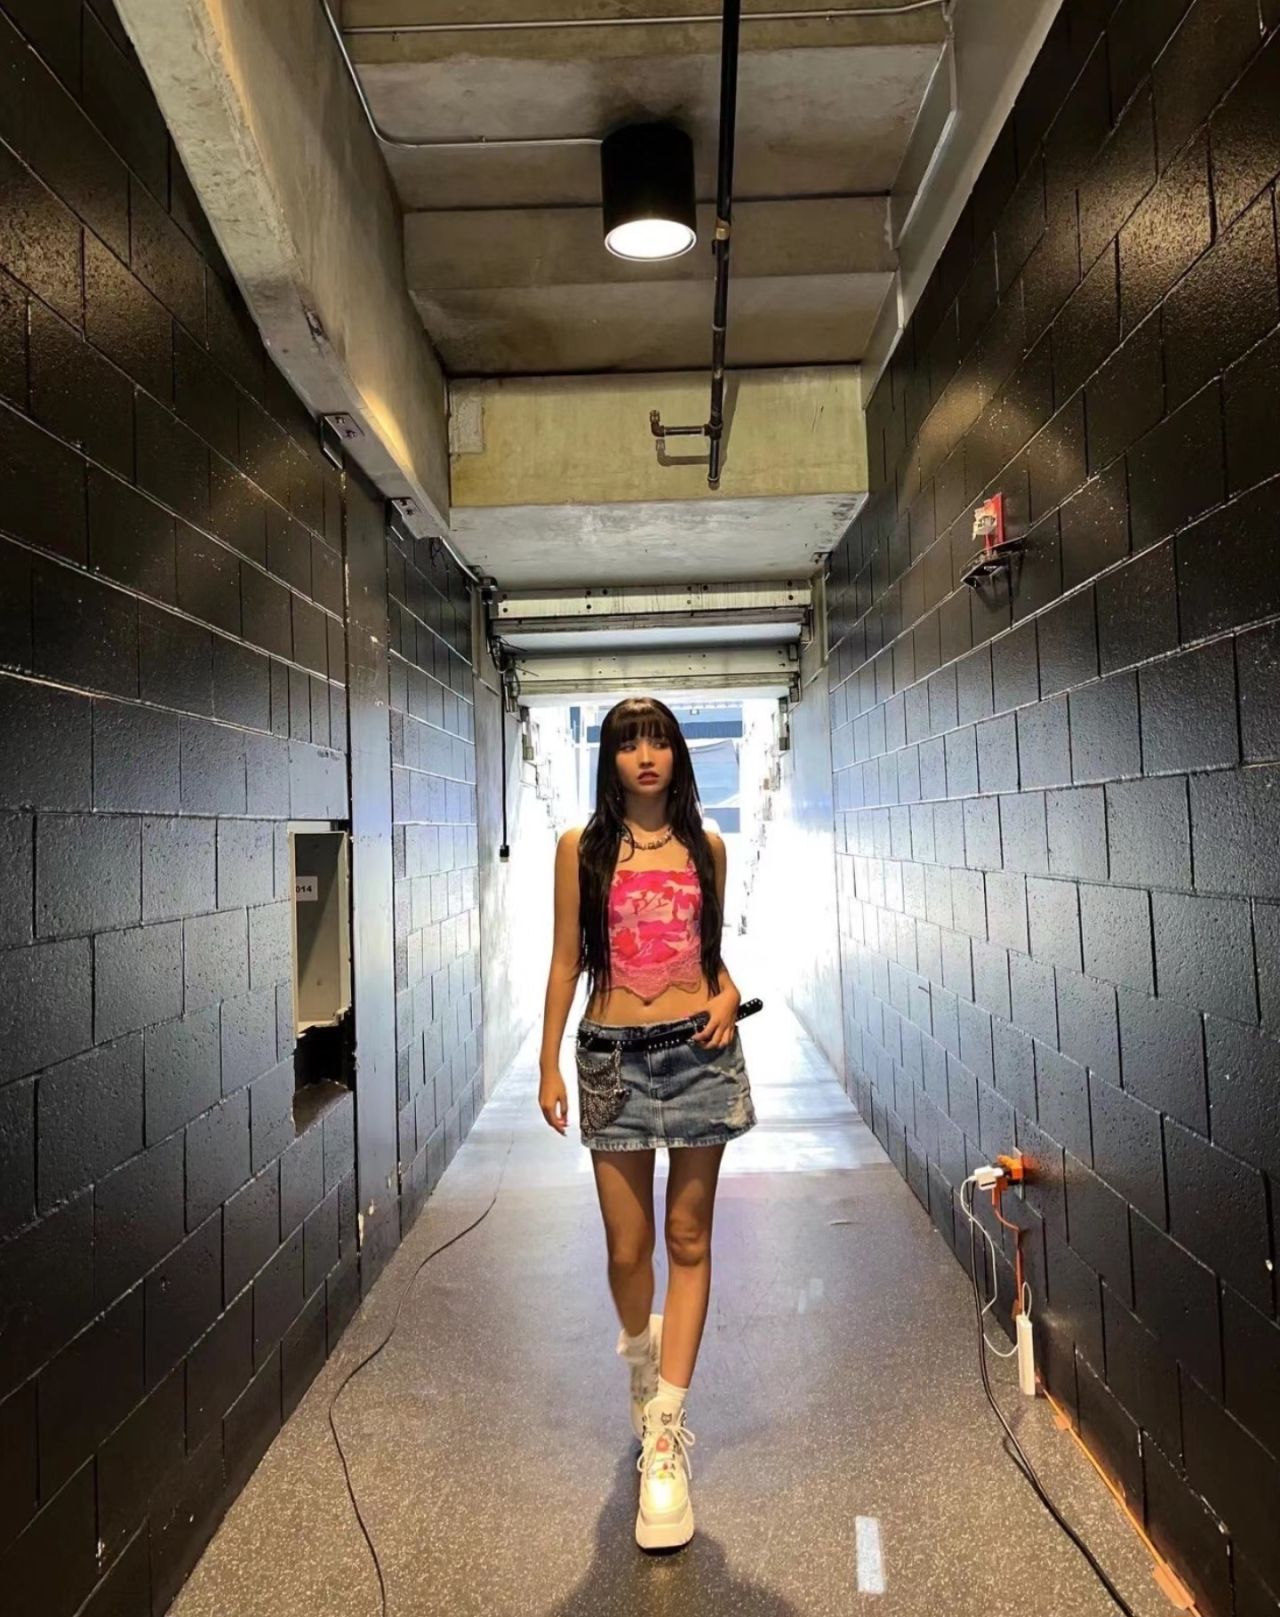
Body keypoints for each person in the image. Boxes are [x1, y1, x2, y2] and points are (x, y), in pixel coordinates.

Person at [537, 696, 757, 1552]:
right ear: (612, 761)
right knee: (628, 1248)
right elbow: (567, 959)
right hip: (613, 1060)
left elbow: (709, 953)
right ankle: (641, 1355)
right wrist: (548, 1063)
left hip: (701, 1052)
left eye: (659, 740)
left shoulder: (707, 847)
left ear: (678, 755)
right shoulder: (581, 849)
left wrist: (729, 992)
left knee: (688, 1237)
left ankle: (664, 1433)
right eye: (629, 743)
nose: (646, 755)